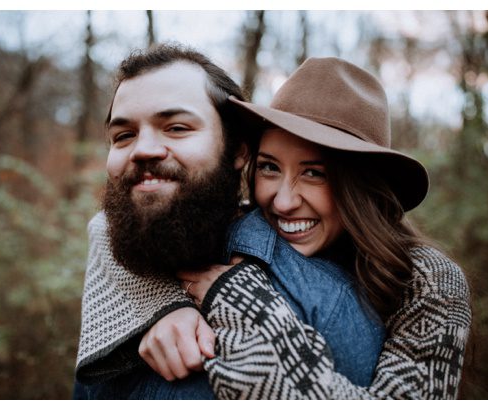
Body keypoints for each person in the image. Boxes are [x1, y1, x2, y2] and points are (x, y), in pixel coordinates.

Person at [73, 44, 385, 399]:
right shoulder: (116, 272)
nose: (142, 149)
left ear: (237, 149)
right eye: (123, 135)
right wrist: (159, 302)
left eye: (176, 127)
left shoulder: (329, 303)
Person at [165, 57, 470, 399]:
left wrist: (253, 307)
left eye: (313, 173)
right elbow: (109, 230)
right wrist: (164, 309)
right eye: (269, 167)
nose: (282, 202)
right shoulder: (238, 226)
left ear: (361, 187)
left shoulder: (429, 282)